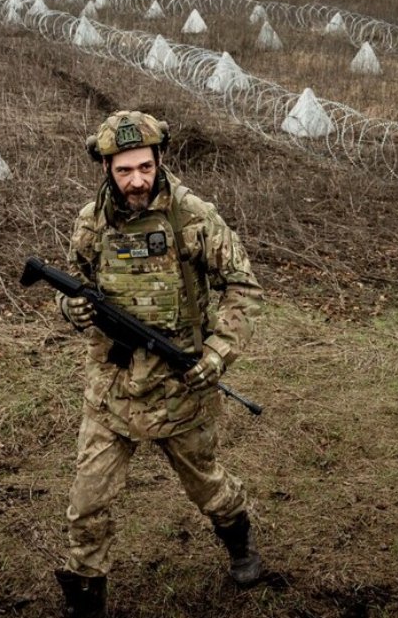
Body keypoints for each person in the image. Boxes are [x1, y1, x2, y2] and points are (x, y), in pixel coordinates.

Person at [53, 111, 265, 617]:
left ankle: (241, 546)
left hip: (180, 385)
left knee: (209, 487)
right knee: (87, 504)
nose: (136, 181)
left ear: (160, 160)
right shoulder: (90, 223)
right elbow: (74, 284)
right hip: (112, 387)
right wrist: (71, 308)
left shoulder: (192, 216)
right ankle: (86, 597)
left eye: (144, 168)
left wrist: (217, 353)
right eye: (124, 170)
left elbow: (243, 286)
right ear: (106, 167)